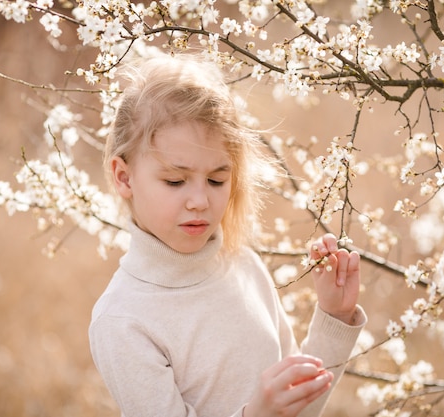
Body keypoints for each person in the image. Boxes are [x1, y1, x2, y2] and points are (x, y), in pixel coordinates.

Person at [89, 54, 367, 417]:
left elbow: (297, 406)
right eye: (175, 180)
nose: (201, 201)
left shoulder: (242, 264)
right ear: (124, 178)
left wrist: (334, 316)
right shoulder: (123, 320)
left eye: (217, 179)